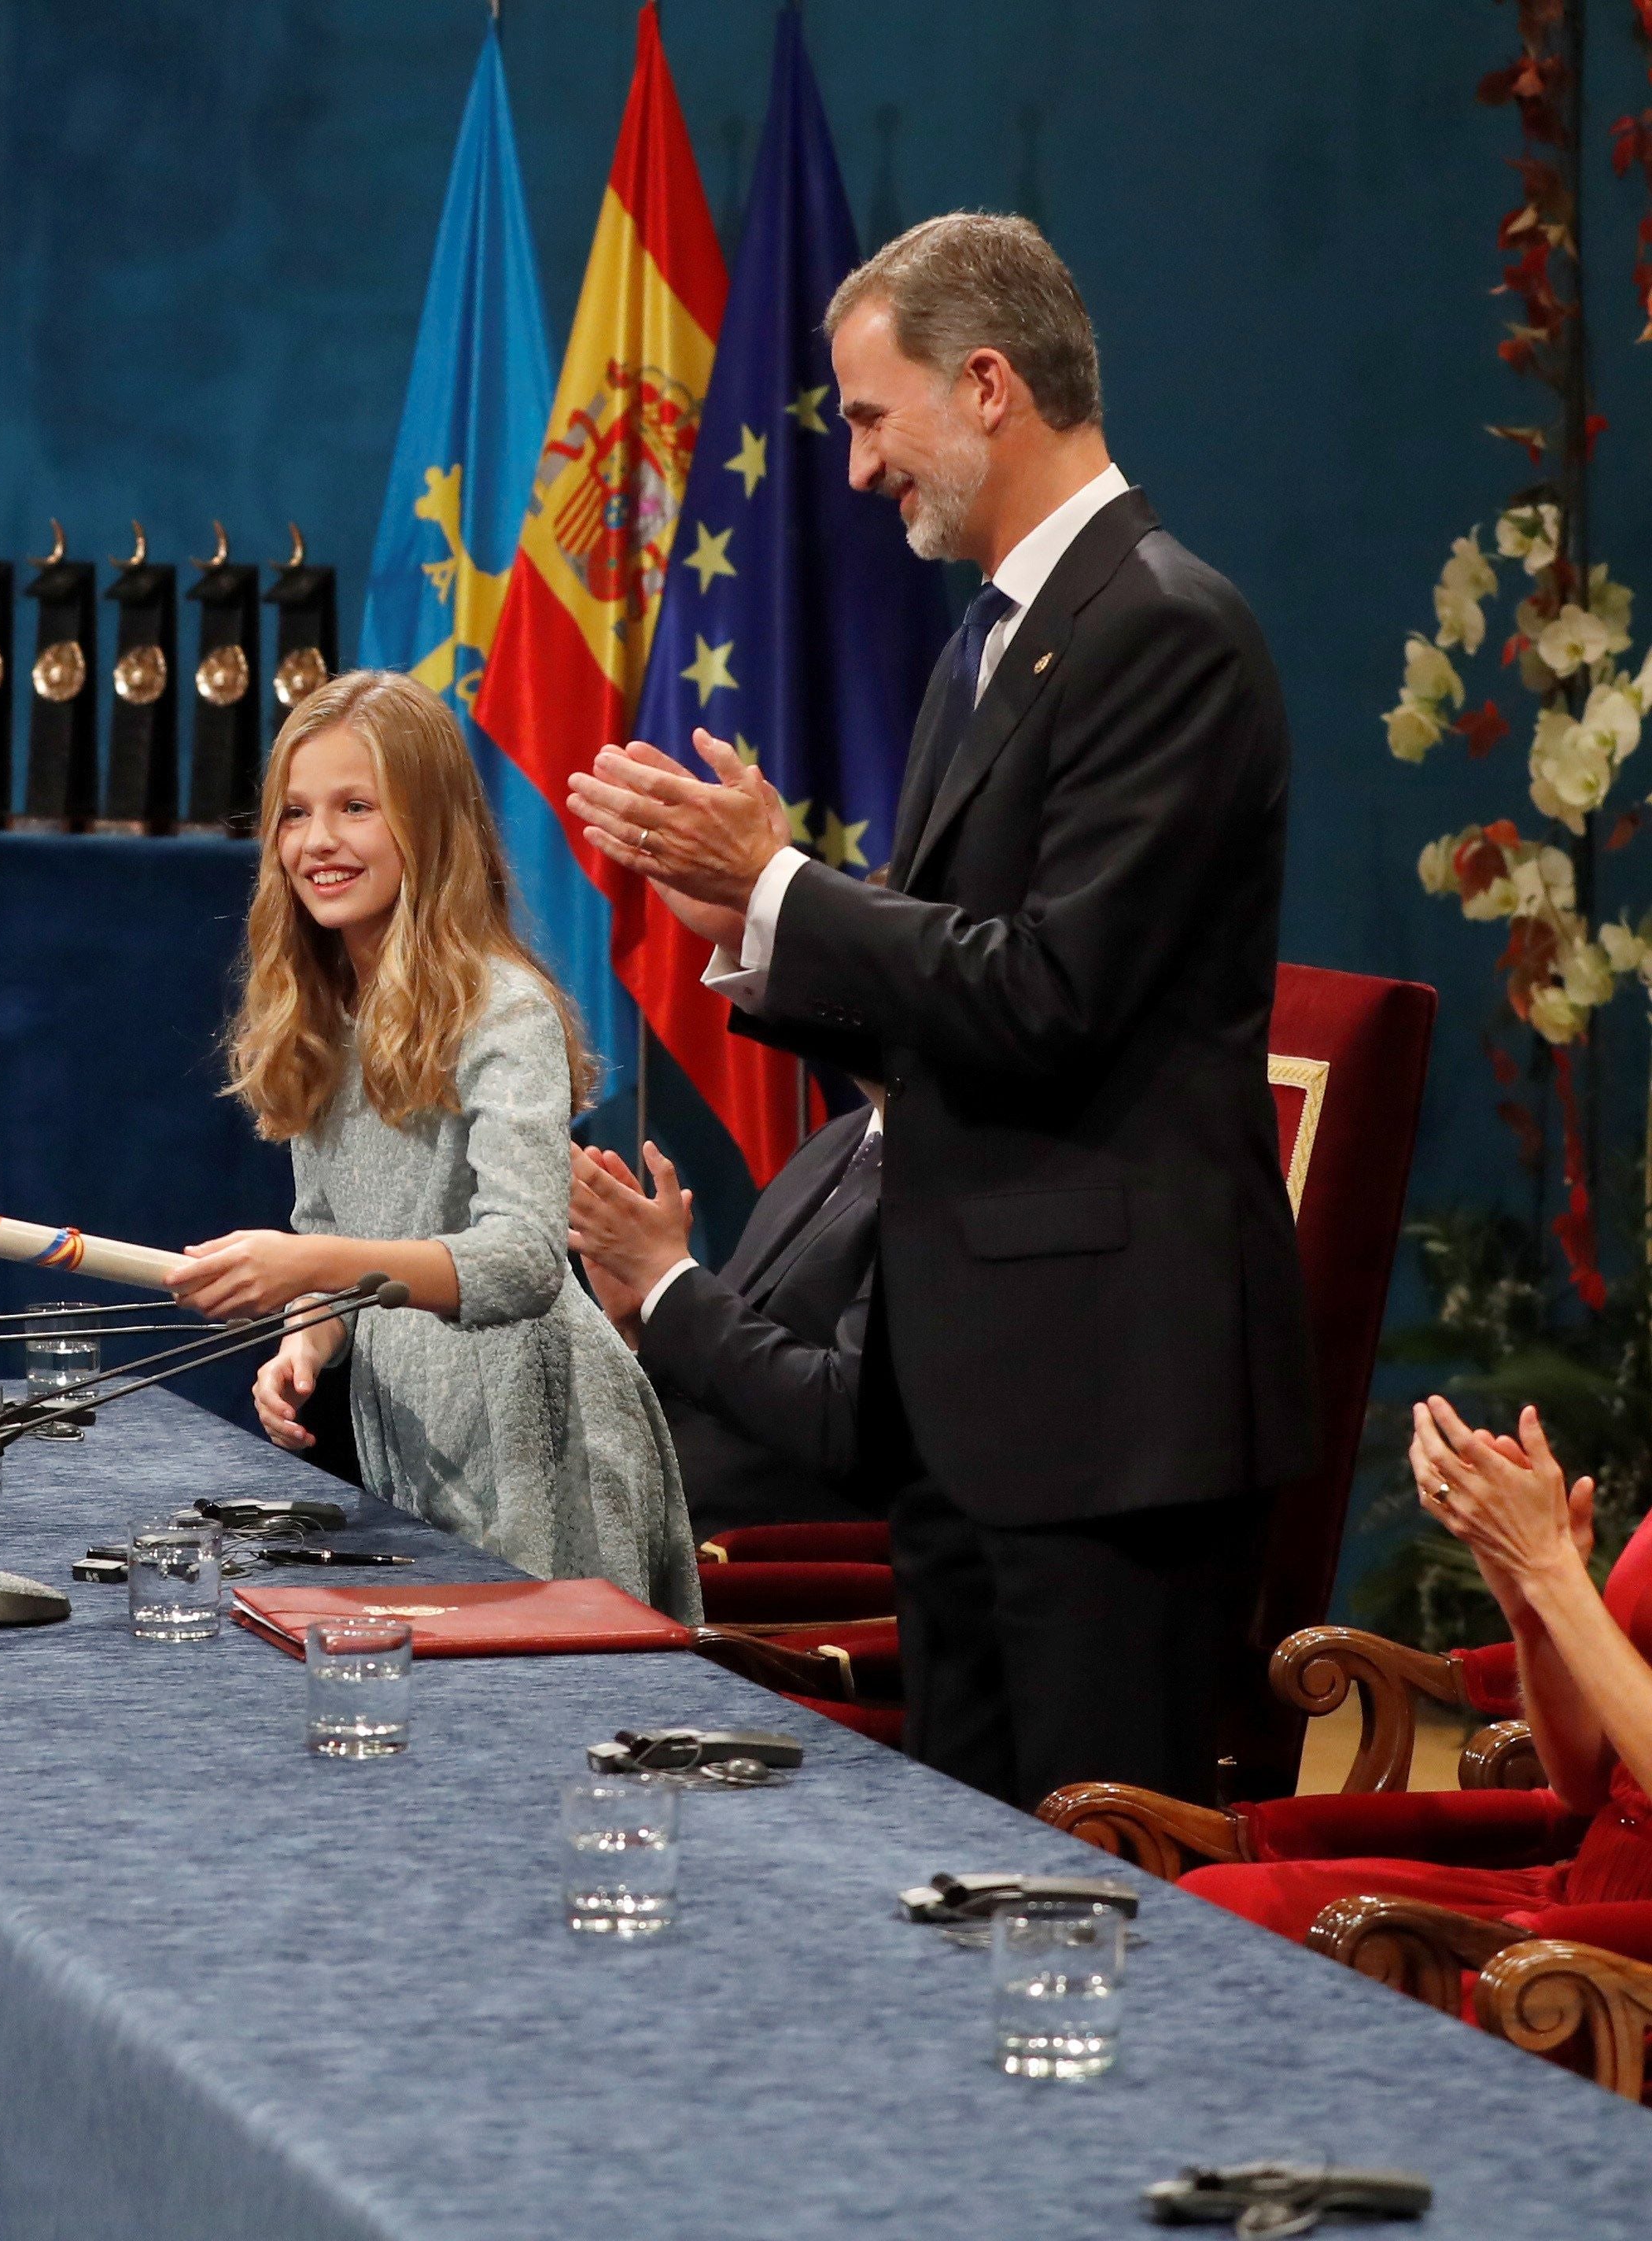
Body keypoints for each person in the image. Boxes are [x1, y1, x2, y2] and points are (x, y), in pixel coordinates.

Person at [564, 211, 1312, 1809]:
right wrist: (758, 932)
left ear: (986, 384)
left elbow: (1052, 995)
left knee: (1097, 1908)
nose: (854, 466)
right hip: (971, 1413)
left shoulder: (1169, 632)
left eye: (865, 415)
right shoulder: (990, 644)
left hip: (1113, 1425)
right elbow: (954, 1020)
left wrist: (788, 890)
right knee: (965, 1896)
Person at [179, 669, 699, 1619]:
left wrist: (309, 1266)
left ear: (429, 825)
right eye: (294, 813)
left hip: (541, 1444)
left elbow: (524, 1260)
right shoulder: (318, 1015)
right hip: (413, 1434)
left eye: (355, 808)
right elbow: (331, 1234)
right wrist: (307, 1338)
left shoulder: (506, 1009)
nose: (317, 841)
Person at [1183, 1399, 1652, 1941]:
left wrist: (1551, 1571)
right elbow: (1589, 1785)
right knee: (1211, 1907)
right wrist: (1530, 1601)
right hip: (1579, 1888)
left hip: (1617, 1942)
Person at [566, 1094, 887, 1533]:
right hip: (669, 1534)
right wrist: (645, 1315)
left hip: (780, 1569)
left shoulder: (956, 1174)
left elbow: (848, 1424)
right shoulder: (840, 1139)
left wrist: (667, 1280)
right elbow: (735, 1372)